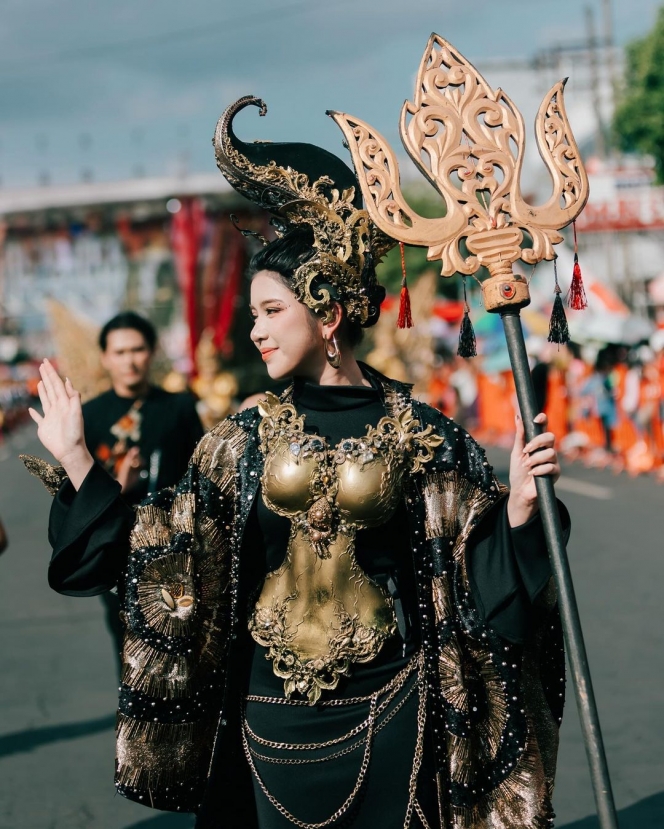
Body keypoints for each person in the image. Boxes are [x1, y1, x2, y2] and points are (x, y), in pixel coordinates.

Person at [24, 97, 568, 829]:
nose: (255, 332)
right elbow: (161, 553)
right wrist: (78, 460)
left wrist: (520, 509)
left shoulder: (424, 435)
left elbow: (482, 586)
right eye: (253, 314)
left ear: (327, 310)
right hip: (264, 729)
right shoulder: (239, 437)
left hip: (394, 717)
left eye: (270, 311)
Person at [81, 311, 204, 673]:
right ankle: (135, 715)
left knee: (178, 633)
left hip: (173, 543)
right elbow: (79, 491)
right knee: (127, 637)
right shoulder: (90, 415)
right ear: (105, 357)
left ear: (152, 352)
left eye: (137, 349)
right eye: (119, 352)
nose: (129, 360)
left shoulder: (179, 407)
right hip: (116, 544)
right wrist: (119, 485)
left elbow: (199, 472)